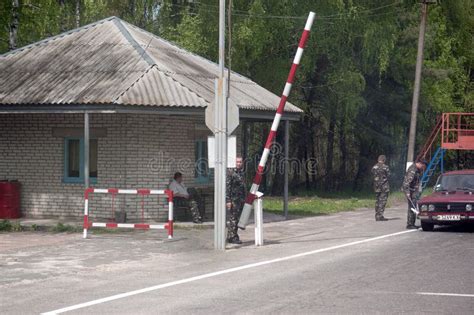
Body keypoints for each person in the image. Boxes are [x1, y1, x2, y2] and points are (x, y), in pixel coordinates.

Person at [401, 160, 427, 229]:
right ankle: (410, 224)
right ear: (420, 163)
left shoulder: (417, 170)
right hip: (410, 191)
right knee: (412, 207)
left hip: (414, 191)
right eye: (423, 166)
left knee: (413, 206)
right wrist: (407, 192)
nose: (423, 168)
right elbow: (406, 182)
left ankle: (411, 223)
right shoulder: (413, 170)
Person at [226, 157, 246, 244]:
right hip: (234, 200)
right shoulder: (231, 172)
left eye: (240, 162)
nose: (239, 163)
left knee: (236, 219)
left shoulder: (241, 172)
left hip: (240, 199)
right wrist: (228, 200)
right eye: (237, 162)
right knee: (233, 218)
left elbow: (243, 187)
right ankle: (232, 237)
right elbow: (227, 187)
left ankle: (233, 235)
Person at [371, 155, 390, 221]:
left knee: (377, 201)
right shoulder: (385, 167)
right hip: (384, 186)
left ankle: (377, 215)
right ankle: (380, 216)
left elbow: (372, 174)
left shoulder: (374, 167)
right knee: (383, 201)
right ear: (384, 160)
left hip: (376, 186)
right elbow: (388, 175)